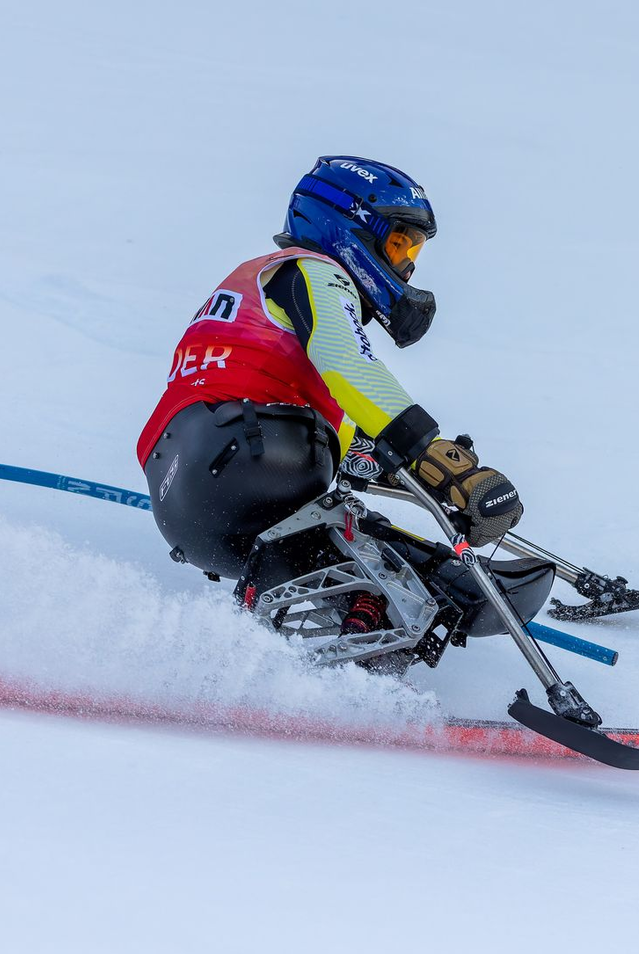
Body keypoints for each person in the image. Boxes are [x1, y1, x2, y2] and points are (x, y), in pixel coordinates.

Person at [135, 156, 523, 623]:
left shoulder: (253, 282)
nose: (405, 267)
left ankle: (361, 631)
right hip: (251, 452)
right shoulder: (312, 268)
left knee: (348, 547)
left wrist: (378, 455)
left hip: (187, 498)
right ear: (346, 226)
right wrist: (433, 454)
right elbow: (347, 361)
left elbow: (274, 380)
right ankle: (451, 590)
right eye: (398, 244)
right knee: (372, 540)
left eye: (412, 253)